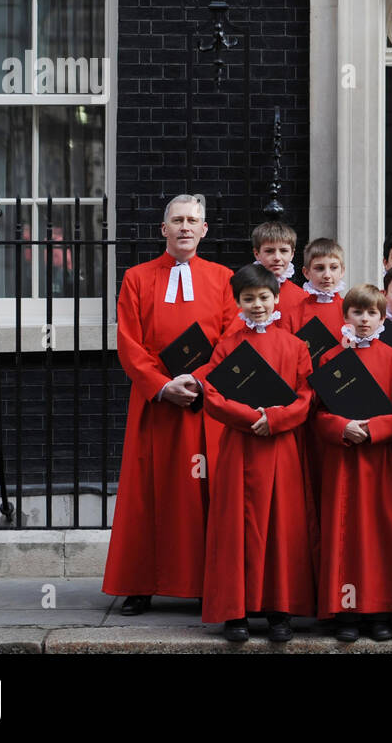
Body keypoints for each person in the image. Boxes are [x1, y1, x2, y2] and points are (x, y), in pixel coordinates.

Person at [103, 194, 237, 617]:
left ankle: (203, 584)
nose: (184, 227)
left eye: (192, 221)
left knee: (204, 493)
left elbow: (232, 337)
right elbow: (129, 341)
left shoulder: (223, 277)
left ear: (204, 230)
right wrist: (162, 386)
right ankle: (140, 584)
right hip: (156, 404)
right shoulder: (137, 277)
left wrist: (199, 381)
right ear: (164, 230)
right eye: (176, 220)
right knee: (147, 494)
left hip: (205, 403)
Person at [196, 265, 316, 641]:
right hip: (240, 445)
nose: (258, 305)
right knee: (236, 528)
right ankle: (236, 612)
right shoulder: (228, 345)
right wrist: (251, 418)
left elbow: (307, 396)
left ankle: (279, 611)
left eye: (264, 297)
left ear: (277, 299)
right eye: (249, 299)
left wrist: (276, 419)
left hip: (280, 447)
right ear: (238, 303)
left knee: (281, 526)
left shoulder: (296, 346)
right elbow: (212, 395)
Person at [313, 285, 392, 641]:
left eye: (372, 314)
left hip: (380, 457)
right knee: (344, 531)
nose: (365, 320)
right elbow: (319, 412)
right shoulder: (329, 359)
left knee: (380, 533)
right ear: (346, 317)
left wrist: (374, 429)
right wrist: (342, 427)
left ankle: (379, 610)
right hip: (342, 457)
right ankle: (345, 611)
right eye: (358, 313)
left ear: (383, 318)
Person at [287, 237, 347, 342]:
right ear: (306, 273)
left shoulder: (349, 311)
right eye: (320, 268)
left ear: (342, 271)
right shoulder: (294, 314)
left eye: (333, 268)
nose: (327, 275)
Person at [251, 220, 307, 328]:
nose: (277, 258)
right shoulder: (244, 293)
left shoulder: (302, 297)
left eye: (283, 251)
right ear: (257, 254)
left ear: (292, 254)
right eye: (269, 251)